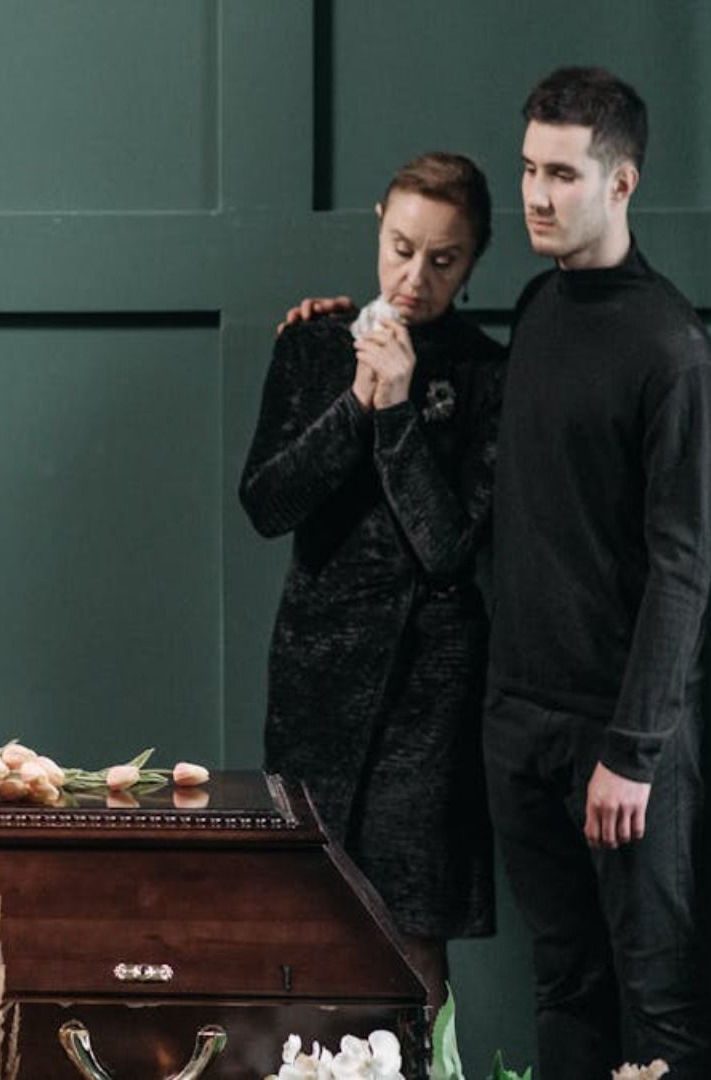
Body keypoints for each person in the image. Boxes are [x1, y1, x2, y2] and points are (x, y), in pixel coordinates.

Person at [484, 68, 711, 1076]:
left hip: (624, 743)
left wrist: (631, 751)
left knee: (657, 1006)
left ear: (621, 183)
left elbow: (682, 569)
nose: (536, 195)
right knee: (564, 984)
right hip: (518, 724)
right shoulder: (538, 304)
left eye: (563, 174)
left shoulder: (672, 352)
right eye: (529, 168)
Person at [241, 152, 504, 1005]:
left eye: (443, 259)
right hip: (316, 676)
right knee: (303, 921)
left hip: (428, 695)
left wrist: (396, 413)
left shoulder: (488, 374)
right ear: (379, 225)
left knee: (410, 937)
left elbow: (447, 549)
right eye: (400, 247)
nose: (414, 276)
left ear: (474, 261)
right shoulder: (314, 342)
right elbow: (268, 503)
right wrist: (357, 399)